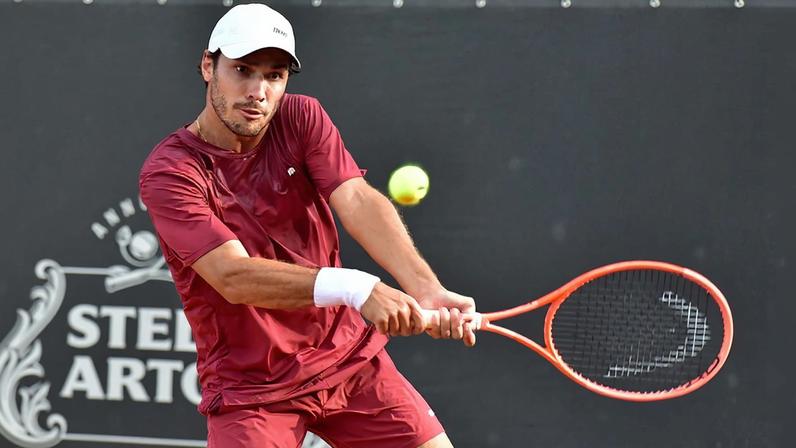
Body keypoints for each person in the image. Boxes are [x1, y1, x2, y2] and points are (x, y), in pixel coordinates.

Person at [139, 3, 476, 448]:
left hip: (348, 361)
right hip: (252, 389)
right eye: (242, 70)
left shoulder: (300, 118)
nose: (257, 91)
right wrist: (357, 288)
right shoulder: (172, 171)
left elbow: (355, 198)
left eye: (274, 76)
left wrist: (425, 288)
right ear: (208, 65)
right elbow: (233, 276)